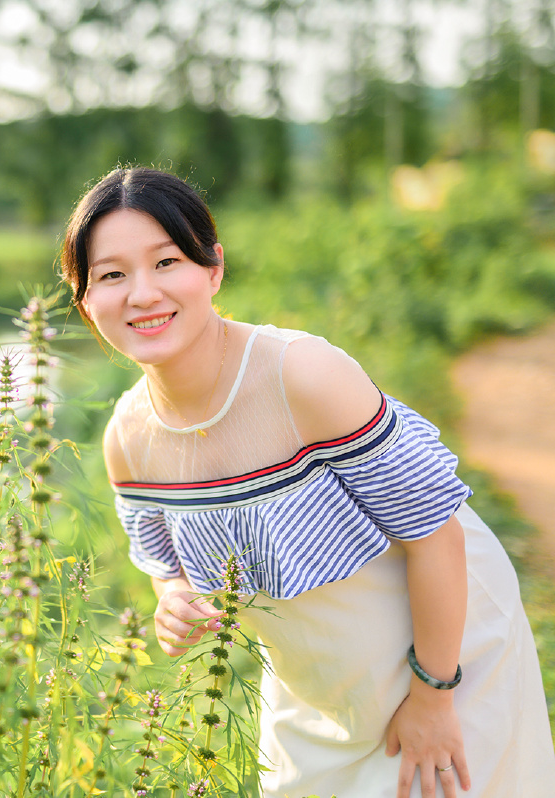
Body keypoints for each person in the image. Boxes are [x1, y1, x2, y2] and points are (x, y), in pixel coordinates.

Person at [59, 167, 555, 797]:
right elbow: (165, 567)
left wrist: (433, 697)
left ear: (213, 268)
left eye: (167, 261)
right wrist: (173, 599)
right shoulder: (129, 438)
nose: (143, 293)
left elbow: (439, 537)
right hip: (315, 689)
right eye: (111, 274)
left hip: (450, 649)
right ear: (84, 300)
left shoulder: (303, 376)